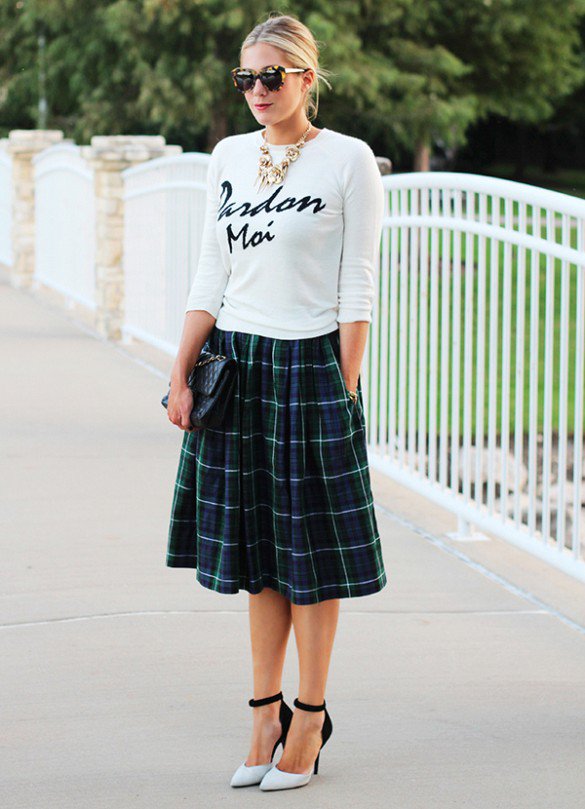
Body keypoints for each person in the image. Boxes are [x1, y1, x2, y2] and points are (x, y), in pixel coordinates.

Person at [165, 12, 388, 792]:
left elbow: (357, 286)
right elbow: (209, 272)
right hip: (238, 365)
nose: (257, 90)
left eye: (271, 76)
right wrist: (182, 369)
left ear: (306, 77)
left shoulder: (347, 161)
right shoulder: (227, 156)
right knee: (257, 555)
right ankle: (262, 710)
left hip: (308, 368)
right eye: (245, 78)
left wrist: (343, 387)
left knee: (310, 562)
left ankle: (308, 716)